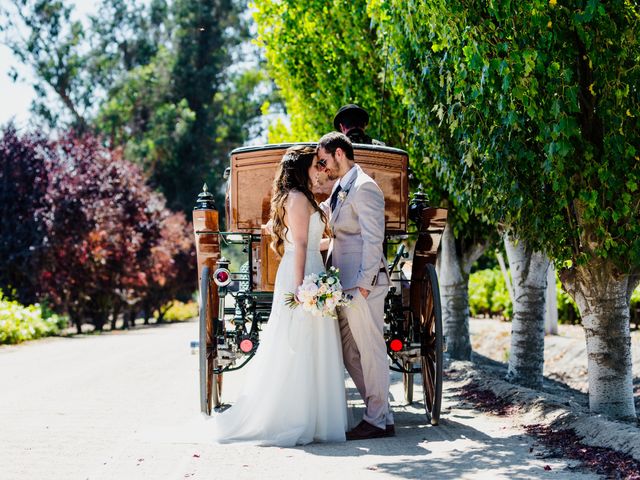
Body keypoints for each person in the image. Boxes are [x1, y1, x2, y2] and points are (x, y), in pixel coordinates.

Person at [210, 145, 348, 446]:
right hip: (301, 274)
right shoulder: (298, 198)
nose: (320, 169)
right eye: (315, 165)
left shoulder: (302, 197)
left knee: (312, 342)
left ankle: (315, 418)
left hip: (310, 269)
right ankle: (297, 417)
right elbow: (299, 245)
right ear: (301, 169)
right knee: (297, 341)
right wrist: (301, 290)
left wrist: (338, 242)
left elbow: (311, 244)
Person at [316, 132, 394, 440]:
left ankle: (376, 420)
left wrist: (364, 285)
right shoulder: (340, 187)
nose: (323, 168)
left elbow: (374, 239)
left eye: (323, 161)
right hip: (344, 284)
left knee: (371, 350)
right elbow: (330, 220)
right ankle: (381, 413)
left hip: (363, 285)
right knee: (349, 352)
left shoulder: (365, 188)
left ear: (338, 154)